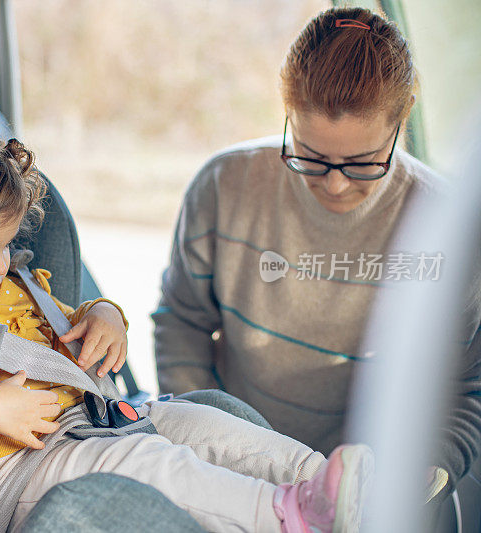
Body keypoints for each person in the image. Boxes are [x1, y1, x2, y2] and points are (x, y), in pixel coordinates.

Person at [0, 102, 373, 533]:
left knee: (205, 425)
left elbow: (71, 321)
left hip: (92, 423)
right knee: (146, 465)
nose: (0, 265)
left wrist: (105, 316)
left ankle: (332, 486)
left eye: (5, 246)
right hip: (14, 474)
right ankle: (285, 516)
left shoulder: (9, 286)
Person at [153, 6, 481, 501]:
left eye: (363, 162)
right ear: (287, 111)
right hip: (233, 469)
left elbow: (466, 390)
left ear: (403, 118)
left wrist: (424, 474)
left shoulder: (453, 231)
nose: (334, 183)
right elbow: (181, 322)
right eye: (310, 155)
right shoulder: (223, 186)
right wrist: (211, 438)